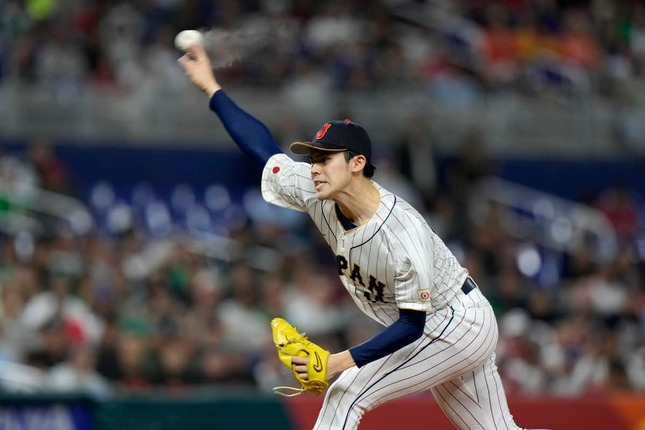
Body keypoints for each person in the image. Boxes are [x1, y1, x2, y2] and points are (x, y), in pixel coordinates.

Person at [179, 43, 534, 430]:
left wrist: (336, 362)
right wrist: (211, 87)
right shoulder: (315, 189)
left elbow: (412, 326)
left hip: (453, 321)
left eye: (324, 159)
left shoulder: (402, 231)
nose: (314, 168)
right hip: (444, 320)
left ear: (357, 163)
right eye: (312, 158)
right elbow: (262, 148)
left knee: (346, 392)